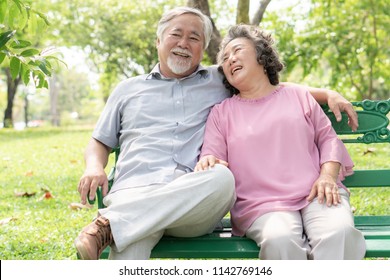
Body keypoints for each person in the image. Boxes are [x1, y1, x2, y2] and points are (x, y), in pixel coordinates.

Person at [75, 7, 359, 260]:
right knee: (128, 253)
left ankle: (111, 224)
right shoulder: (128, 89)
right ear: (158, 41)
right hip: (134, 193)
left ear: (202, 49)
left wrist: (326, 93)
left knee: (221, 178)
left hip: (193, 200)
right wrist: (93, 166)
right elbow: (100, 140)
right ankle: (114, 225)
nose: (184, 44)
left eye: (194, 38)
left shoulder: (218, 79)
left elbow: (271, 89)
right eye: (176, 34)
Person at [195, 24, 366, 259]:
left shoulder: (298, 95)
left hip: (317, 191)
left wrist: (327, 176)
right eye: (225, 58)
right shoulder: (221, 113)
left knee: (340, 233)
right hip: (260, 204)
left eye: (237, 51)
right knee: (279, 240)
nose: (230, 59)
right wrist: (208, 161)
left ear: (262, 57)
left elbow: (328, 139)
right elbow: (211, 157)